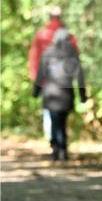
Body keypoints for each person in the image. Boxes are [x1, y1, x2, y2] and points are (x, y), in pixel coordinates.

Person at [33, 28, 87, 160]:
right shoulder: (72, 54)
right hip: (66, 94)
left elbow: (40, 76)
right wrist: (82, 95)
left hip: (51, 94)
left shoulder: (48, 53)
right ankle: (62, 149)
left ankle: (57, 148)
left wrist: (36, 91)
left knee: (55, 121)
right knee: (61, 122)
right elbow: (80, 76)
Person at [28, 6, 80, 141]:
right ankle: (59, 143)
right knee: (62, 115)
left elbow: (34, 58)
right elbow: (76, 60)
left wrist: (37, 81)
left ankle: (54, 142)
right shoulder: (69, 36)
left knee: (51, 113)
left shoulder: (41, 34)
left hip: (47, 82)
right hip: (65, 82)